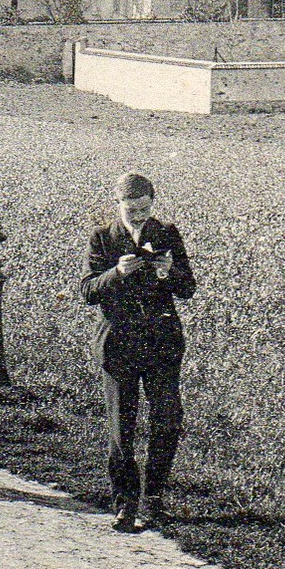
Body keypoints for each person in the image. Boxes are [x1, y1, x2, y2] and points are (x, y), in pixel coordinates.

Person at [81, 172, 196, 533]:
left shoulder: (167, 234)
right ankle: (126, 504)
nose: (139, 216)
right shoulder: (102, 238)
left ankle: (155, 498)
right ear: (119, 206)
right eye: (132, 211)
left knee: (167, 418)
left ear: (153, 203)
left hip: (161, 344)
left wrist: (167, 273)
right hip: (119, 345)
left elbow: (188, 287)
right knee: (123, 427)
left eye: (145, 209)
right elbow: (87, 290)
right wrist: (116, 272)